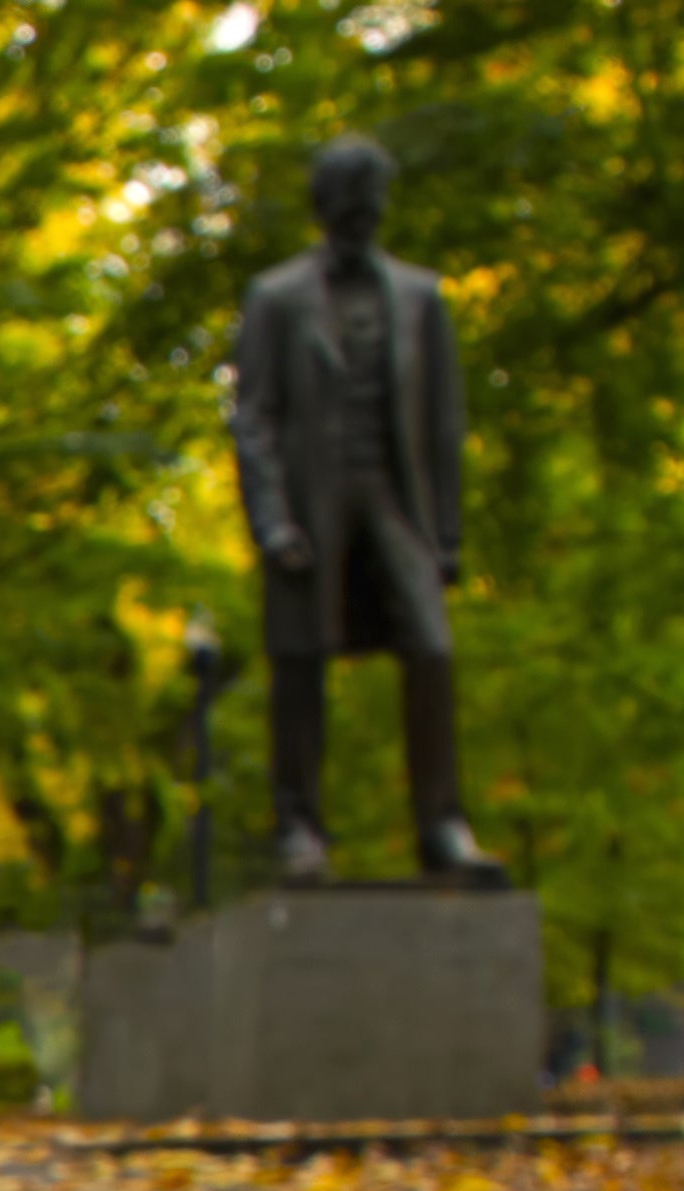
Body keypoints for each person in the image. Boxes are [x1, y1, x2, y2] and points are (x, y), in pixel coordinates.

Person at [227, 136, 496, 883]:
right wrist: (272, 519)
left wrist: (446, 531)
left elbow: (443, 423)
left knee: (432, 650)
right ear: (325, 212)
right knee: (301, 661)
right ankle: (299, 825)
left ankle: (442, 825)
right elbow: (254, 419)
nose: (359, 224)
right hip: (313, 504)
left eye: (369, 212)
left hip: (392, 497)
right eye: (347, 212)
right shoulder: (276, 298)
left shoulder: (420, 297)